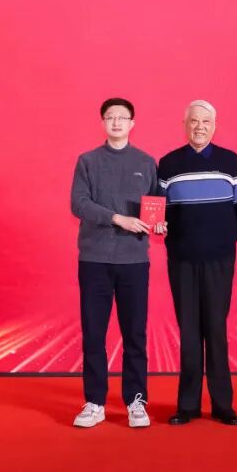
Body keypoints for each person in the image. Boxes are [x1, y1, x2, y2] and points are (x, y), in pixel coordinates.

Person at [69, 97, 162, 428]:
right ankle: (95, 402)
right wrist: (117, 218)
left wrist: (159, 224)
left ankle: (136, 401)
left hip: (133, 261)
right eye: (111, 117)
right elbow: (79, 203)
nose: (117, 122)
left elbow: (155, 206)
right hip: (94, 260)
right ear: (103, 122)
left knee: (134, 333)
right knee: (94, 333)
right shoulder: (88, 161)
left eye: (123, 117)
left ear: (133, 123)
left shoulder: (146, 163)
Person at [158, 99, 237, 426]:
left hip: (219, 260)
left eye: (206, 122)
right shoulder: (168, 164)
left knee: (215, 329)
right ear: (184, 125)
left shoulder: (230, 161)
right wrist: (169, 235)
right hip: (182, 260)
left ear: (215, 126)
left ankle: (223, 405)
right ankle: (187, 406)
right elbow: (159, 211)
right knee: (188, 331)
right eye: (194, 121)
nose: (200, 127)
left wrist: (223, 240)